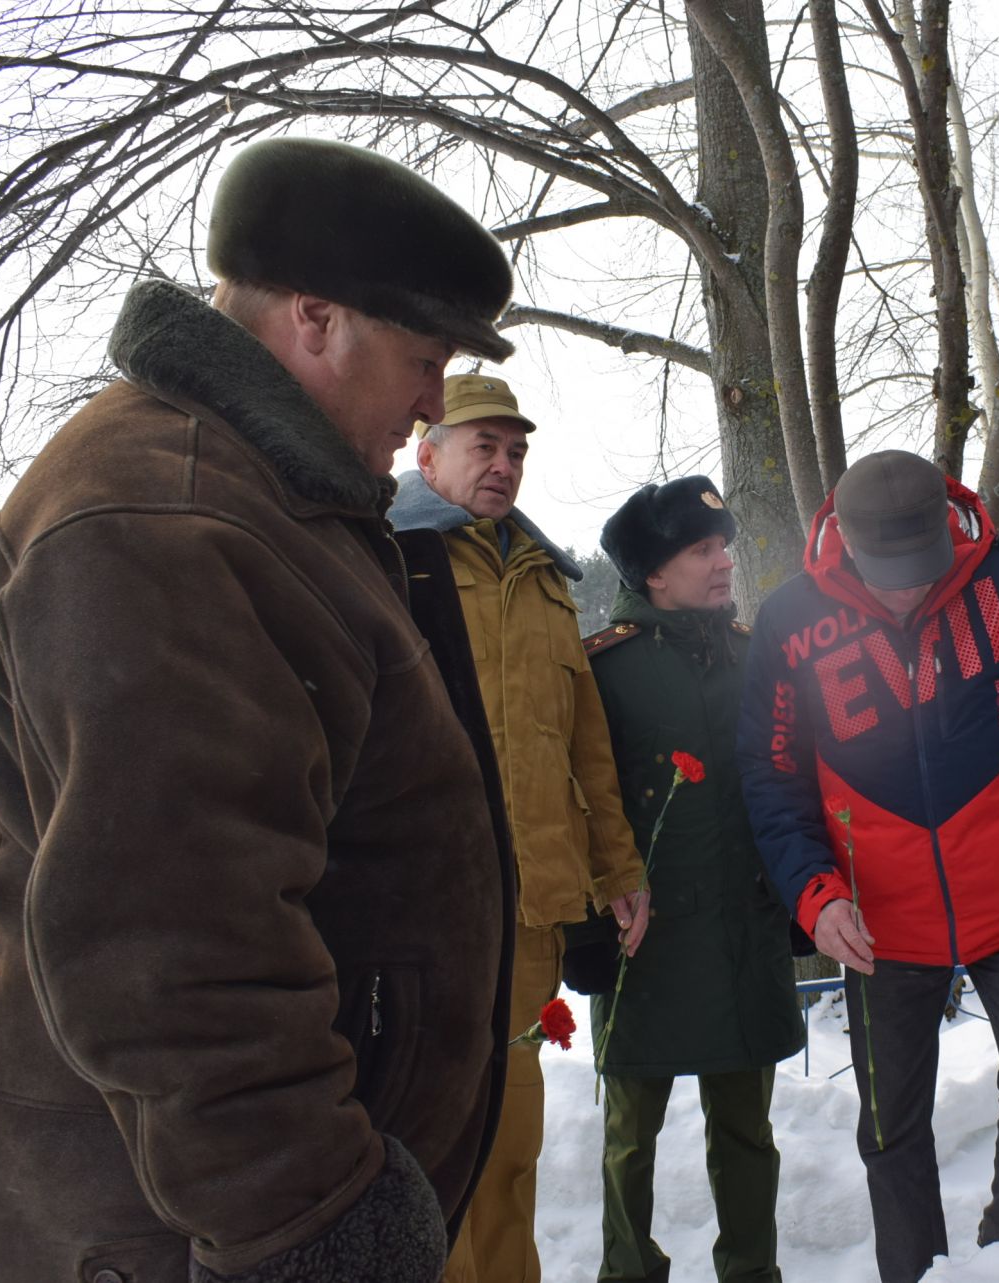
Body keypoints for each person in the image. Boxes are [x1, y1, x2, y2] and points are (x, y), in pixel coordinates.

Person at [0, 137, 517, 1282]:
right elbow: (171, 949)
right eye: (421, 355)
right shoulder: (163, 521)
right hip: (183, 1234)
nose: (432, 400)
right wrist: (310, 1230)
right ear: (314, 317)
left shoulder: (267, 498)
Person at [735, 450, 999, 1283]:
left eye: (920, 570)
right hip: (878, 919)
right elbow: (772, 776)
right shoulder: (787, 620)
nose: (905, 592)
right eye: (885, 575)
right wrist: (814, 895)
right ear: (841, 541)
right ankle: (916, 1274)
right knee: (890, 1127)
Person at [388, 373, 648, 1283]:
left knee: (511, 1139)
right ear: (426, 454)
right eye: (482, 446)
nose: (503, 466)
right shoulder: (389, 561)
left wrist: (619, 868)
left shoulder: (545, 584)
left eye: (516, 451)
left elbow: (587, 749)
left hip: (531, 911)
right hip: (422, 916)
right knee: (432, 1145)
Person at [567, 475, 804, 1283]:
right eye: (702, 549)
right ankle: (627, 1271)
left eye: (724, 544)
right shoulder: (604, 667)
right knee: (630, 1136)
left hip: (743, 935)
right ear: (653, 574)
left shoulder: (751, 656)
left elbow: (789, 780)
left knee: (747, 1132)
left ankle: (751, 1270)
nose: (723, 560)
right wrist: (587, 920)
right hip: (646, 940)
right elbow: (578, 800)